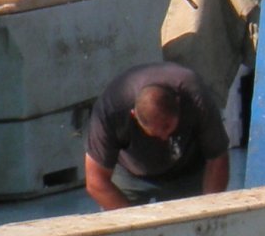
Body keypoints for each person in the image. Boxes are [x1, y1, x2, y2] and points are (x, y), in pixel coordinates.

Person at [83, 61, 231, 210]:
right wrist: (132, 222)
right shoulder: (110, 111)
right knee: (121, 229)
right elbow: (96, 181)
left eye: (167, 127)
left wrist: (207, 212)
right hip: (130, 174)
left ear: (178, 104)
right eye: (154, 133)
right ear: (134, 115)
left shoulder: (195, 94)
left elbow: (217, 158)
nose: (165, 137)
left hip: (187, 170)